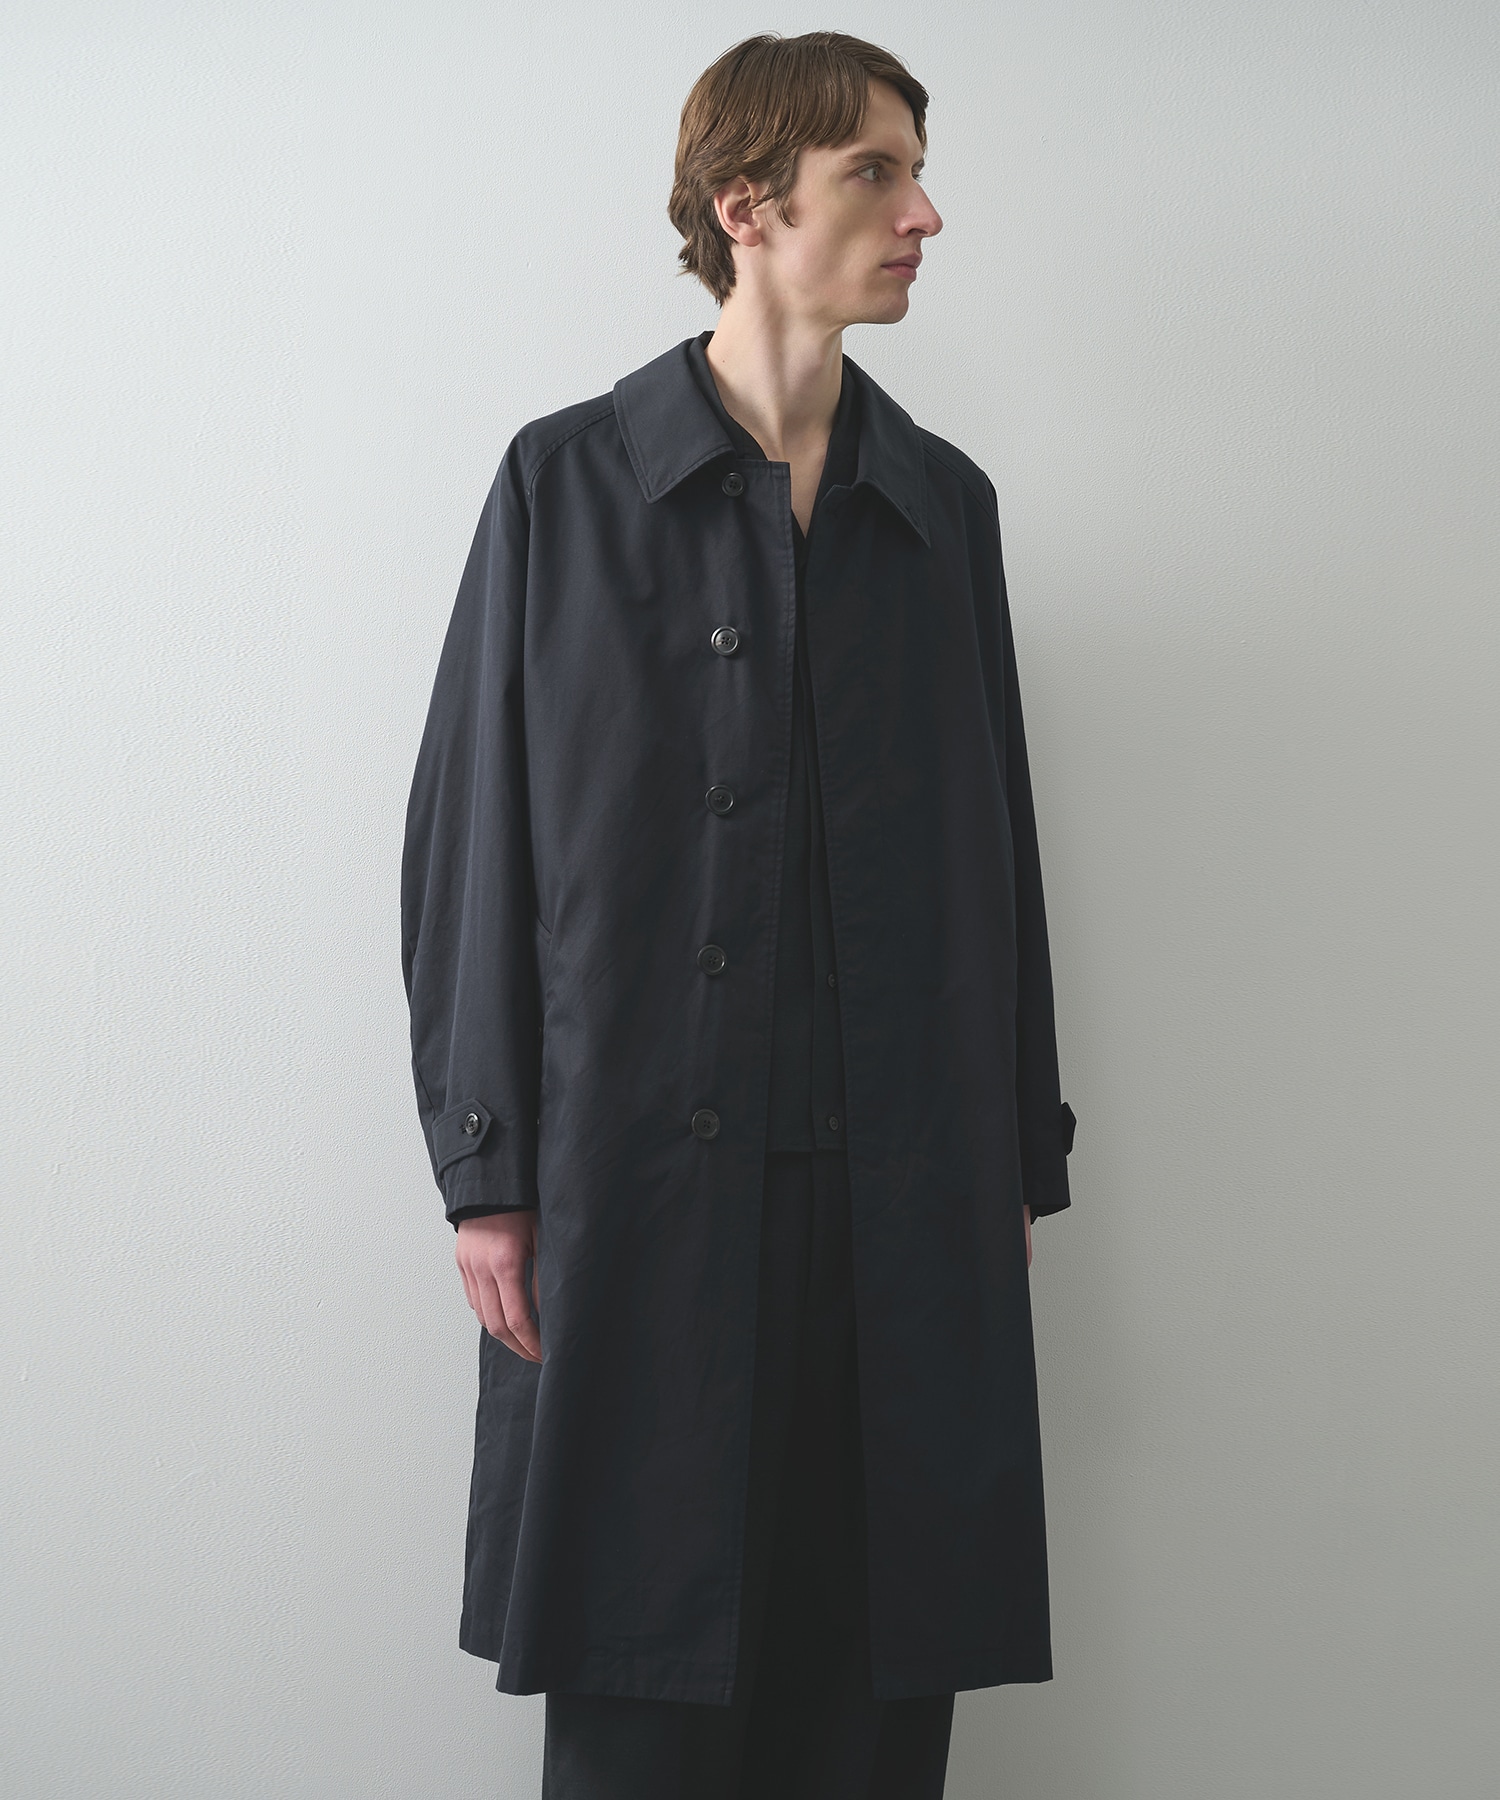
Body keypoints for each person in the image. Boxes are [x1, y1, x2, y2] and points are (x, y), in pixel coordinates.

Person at [401, 30, 1077, 1799]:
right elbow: (472, 844)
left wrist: (1013, 1156)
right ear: (747, 203)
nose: (925, 214)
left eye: (916, 169)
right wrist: (487, 1170)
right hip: (632, 1200)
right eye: (877, 172)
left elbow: (998, 857)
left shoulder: (941, 510)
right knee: (645, 1689)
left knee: (874, 1705)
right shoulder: (564, 486)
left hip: (902, 1203)